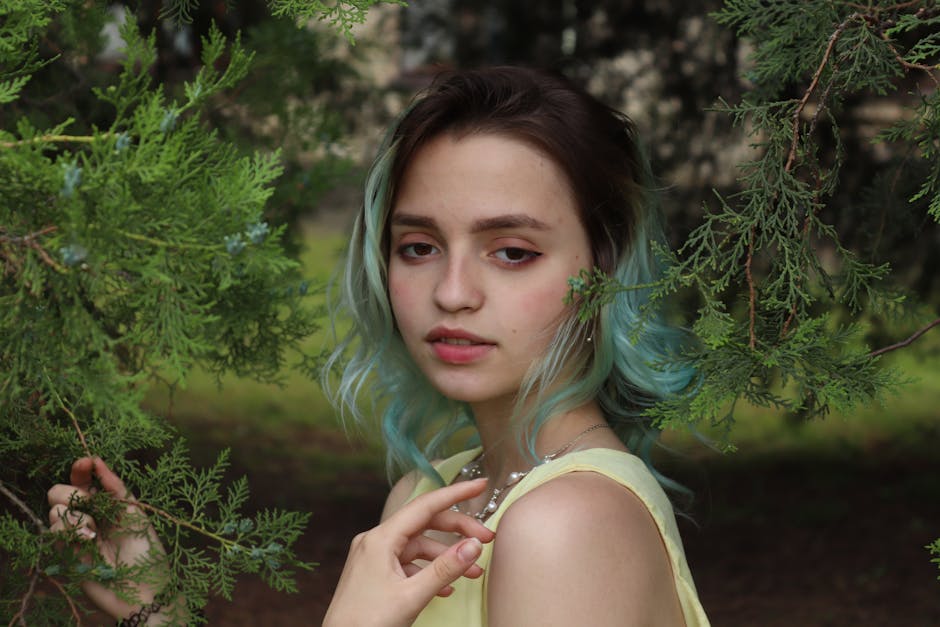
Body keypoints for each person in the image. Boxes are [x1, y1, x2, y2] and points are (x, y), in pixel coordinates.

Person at [47, 66, 710, 626]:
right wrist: (154, 609)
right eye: (419, 247)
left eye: (512, 252)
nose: (452, 292)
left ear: (605, 270)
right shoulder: (430, 493)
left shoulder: (565, 526)